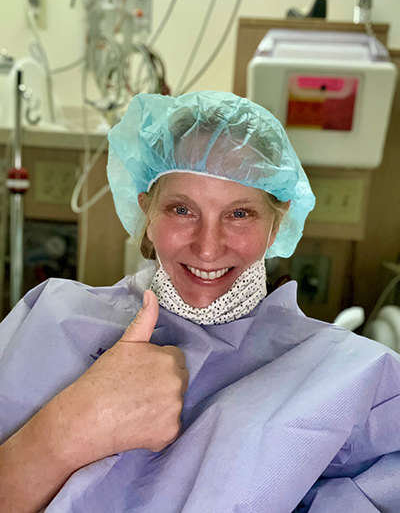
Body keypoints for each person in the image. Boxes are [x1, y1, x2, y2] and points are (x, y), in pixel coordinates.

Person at [1, 90, 400, 513]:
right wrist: (68, 429)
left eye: (240, 213)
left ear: (276, 223)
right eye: (181, 210)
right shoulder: (48, 318)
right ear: (146, 215)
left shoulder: (352, 381)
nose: (208, 249)